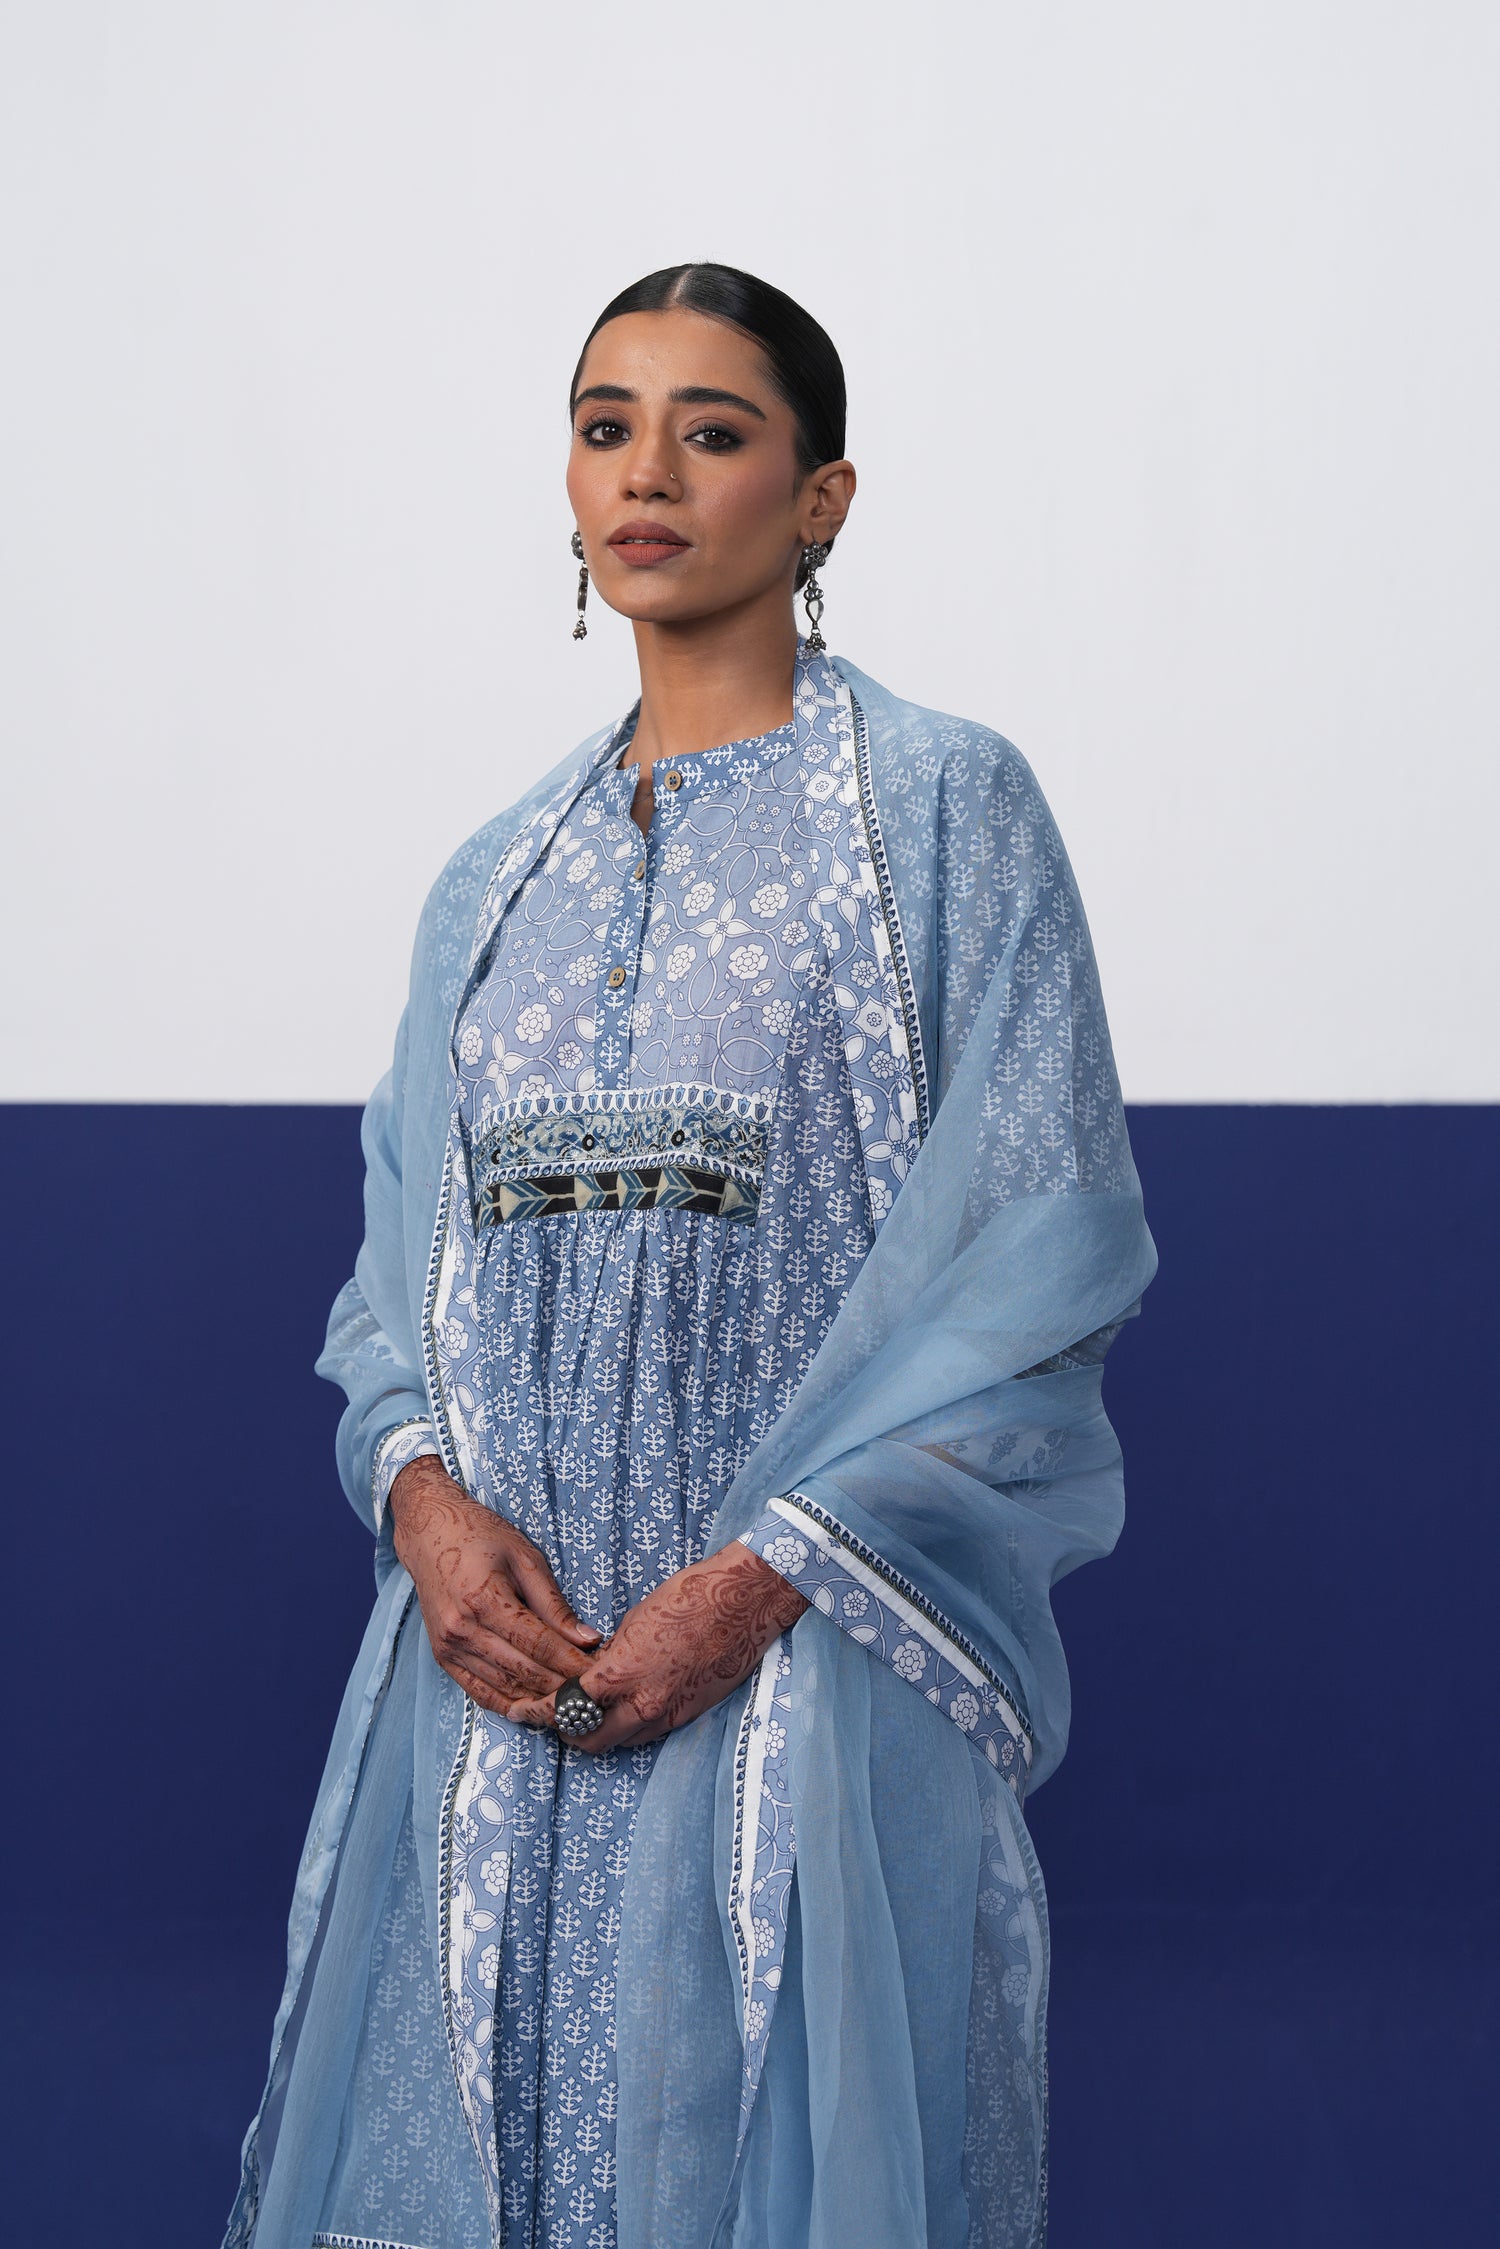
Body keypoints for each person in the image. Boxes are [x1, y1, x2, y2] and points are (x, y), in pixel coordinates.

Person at [224, 261, 1156, 2249]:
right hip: (498, 1689)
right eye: (604, 426)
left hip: (809, 1674)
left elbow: (1042, 1255)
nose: (646, 472)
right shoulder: (496, 880)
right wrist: (425, 1514)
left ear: (821, 499)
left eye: (711, 432)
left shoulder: (942, 810)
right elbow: (398, 1281)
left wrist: (751, 1587)